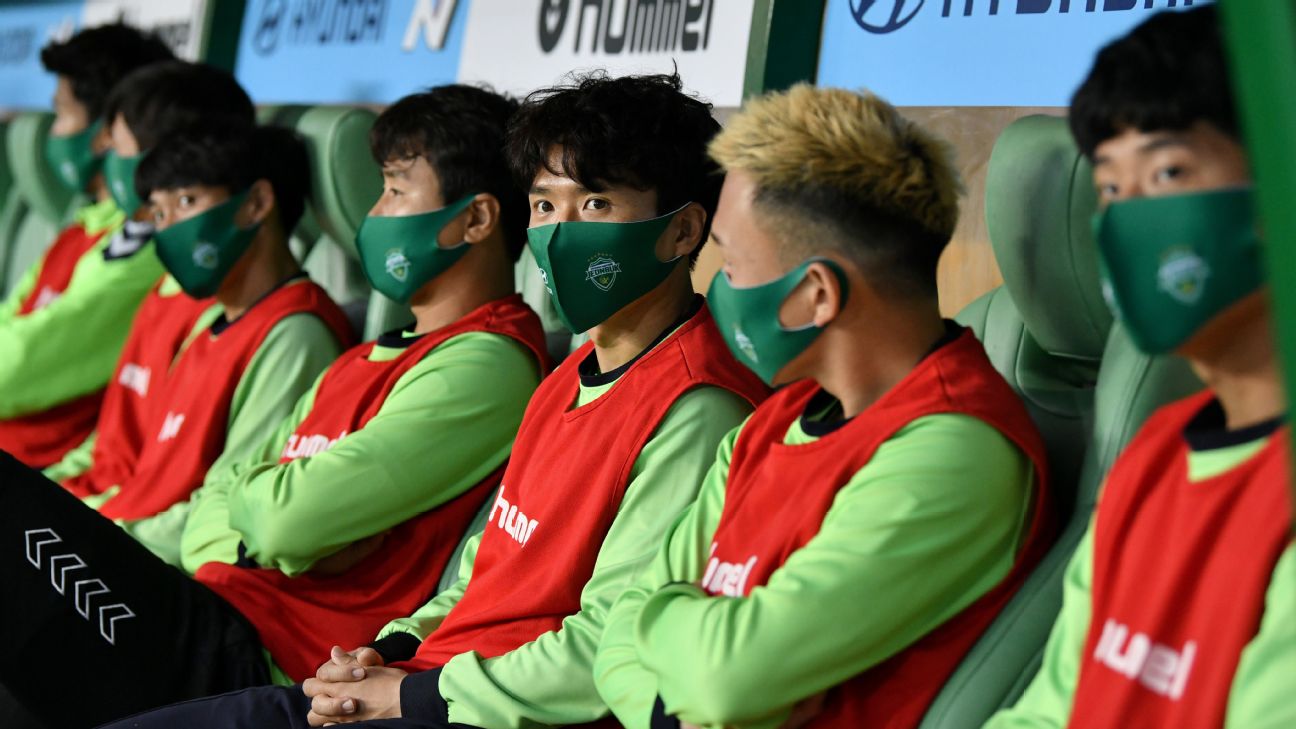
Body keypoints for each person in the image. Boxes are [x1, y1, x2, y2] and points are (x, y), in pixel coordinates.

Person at [102, 71, 769, 729]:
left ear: (684, 232)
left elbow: (608, 642)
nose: (561, 232)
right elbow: (487, 567)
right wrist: (386, 651)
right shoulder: (569, 375)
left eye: (594, 204)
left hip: (465, 709)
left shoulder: (698, 405)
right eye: (544, 205)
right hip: (417, 681)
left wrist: (415, 694)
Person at [0, 86, 551, 729]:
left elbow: (286, 525)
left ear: (477, 220)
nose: (372, 215)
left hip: (265, 657)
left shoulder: (486, 362)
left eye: (396, 192)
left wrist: (267, 526)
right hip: (209, 602)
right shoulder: (366, 356)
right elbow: (220, 504)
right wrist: (262, 529)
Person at [590, 85, 1052, 729]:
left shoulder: (951, 451)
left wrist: (669, 625)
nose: (719, 286)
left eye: (734, 264)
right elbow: (617, 637)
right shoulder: (773, 422)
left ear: (815, 294)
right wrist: (680, 696)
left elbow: (724, 677)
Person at [986, 7, 1294, 727]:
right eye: (1113, 192)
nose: (1128, 225)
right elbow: (1051, 706)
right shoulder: (1154, 453)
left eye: (1168, 172)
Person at [0, 23, 173, 469]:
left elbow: (16, 366)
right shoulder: (78, 229)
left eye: (61, 113)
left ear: (105, 130)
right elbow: (11, 322)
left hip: (39, 475)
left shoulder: (148, 240)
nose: (52, 132)